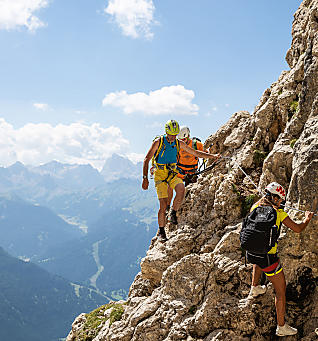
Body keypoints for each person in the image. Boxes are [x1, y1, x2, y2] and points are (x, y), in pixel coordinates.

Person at [246, 182, 314, 337]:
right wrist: (307, 219)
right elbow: (298, 228)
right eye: (280, 200)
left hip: (251, 253)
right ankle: (281, 326)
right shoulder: (278, 213)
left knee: (258, 258)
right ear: (276, 199)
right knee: (280, 291)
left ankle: (254, 287)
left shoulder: (255, 207)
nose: (281, 203)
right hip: (269, 258)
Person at [142, 119, 219, 242]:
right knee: (162, 205)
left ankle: (173, 212)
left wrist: (212, 157)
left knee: (181, 189)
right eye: (171, 134)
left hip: (172, 172)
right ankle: (162, 232)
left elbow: (195, 153)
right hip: (160, 175)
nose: (172, 137)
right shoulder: (159, 142)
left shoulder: (178, 143)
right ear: (166, 132)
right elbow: (147, 159)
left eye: (174, 134)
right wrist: (145, 178)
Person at [167, 126, 206, 210]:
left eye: (184, 139)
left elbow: (204, 154)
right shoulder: (176, 146)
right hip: (180, 172)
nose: (182, 142)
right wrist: (182, 176)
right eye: (180, 140)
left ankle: (179, 209)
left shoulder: (197, 145)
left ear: (188, 136)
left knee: (187, 194)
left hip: (192, 173)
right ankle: (170, 209)